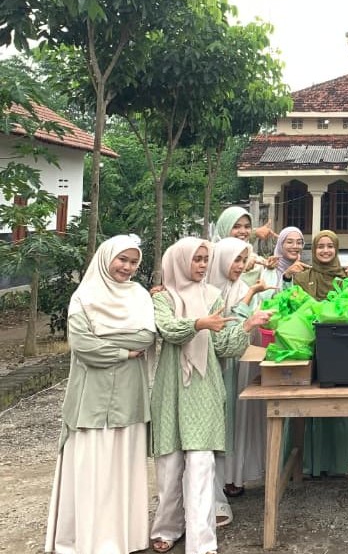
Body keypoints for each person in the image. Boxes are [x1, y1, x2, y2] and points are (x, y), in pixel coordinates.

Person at [150, 237, 271, 554]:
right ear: (179, 260)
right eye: (197, 259)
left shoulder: (212, 295)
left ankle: (201, 541)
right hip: (173, 387)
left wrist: (247, 326)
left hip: (204, 386)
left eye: (206, 259)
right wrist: (199, 322)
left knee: (202, 465)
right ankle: (167, 527)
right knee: (170, 464)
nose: (203, 265)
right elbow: (168, 329)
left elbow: (224, 346)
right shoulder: (163, 297)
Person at [44, 235, 156, 554]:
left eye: (134, 262)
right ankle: (87, 540)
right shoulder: (85, 296)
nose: (128, 267)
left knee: (122, 466)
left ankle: (123, 538)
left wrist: (106, 337)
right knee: (92, 467)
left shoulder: (139, 295)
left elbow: (146, 336)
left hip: (129, 398)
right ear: (106, 257)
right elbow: (83, 346)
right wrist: (122, 351)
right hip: (90, 398)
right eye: (122, 259)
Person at [207, 238, 274, 523]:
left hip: (235, 363)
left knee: (229, 425)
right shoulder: (206, 292)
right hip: (209, 367)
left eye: (243, 260)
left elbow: (240, 324)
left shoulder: (239, 287)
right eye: (235, 259)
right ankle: (208, 496)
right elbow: (230, 323)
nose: (239, 266)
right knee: (211, 432)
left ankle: (225, 484)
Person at [291, 230, 348, 476]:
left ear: (336, 249)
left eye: (330, 247)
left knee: (339, 401)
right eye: (320, 246)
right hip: (312, 347)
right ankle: (313, 463)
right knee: (313, 406)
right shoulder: (302, 278)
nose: (325, 251)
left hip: (340, 351)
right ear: (313, 251)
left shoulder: (346, 277)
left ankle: (339, 463)